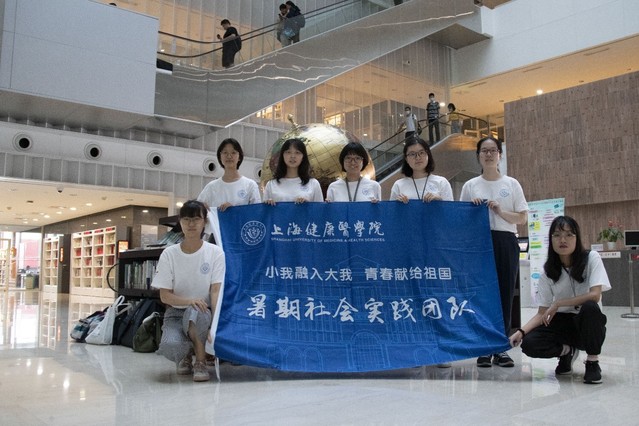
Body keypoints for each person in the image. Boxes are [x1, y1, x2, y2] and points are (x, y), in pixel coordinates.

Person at [510, 216, 610, 384]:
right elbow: (541, 313)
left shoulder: (591, 258)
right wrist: (521, 332)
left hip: (587, 323)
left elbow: (595, 295)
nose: (563, 240)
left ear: (577, 238)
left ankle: (592, 362)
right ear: (551, 240)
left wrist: (558, 303)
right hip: (562, 323)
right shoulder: (548, 272)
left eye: (569, 235)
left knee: (590, 307)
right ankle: (567, 352)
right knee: (529, 343)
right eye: (557, 235)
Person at [459, 136, 529, 368]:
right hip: (479, 243)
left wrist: (499, 211)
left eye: (492, 150)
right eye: (484, 151)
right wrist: (472, 210)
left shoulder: (511, 184)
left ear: (500, 154)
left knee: (505, 294)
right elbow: (460, 220)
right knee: (481, 295)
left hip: (505, 240)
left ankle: (501, 347)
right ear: (478, 155)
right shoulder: (470, 186)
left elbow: (522, 218)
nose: (488, 154)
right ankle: (484, 348)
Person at [151, 200, 225, 382]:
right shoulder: (169, 254)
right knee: (170, 346)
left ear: (204, 222)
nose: (191, 224)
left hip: (203, 312)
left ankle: (200, 361)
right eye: (186, 219)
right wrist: (189, 301)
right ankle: (184, 355)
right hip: (175, 313)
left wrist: (214, 325)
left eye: (196, 219)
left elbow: (216, 291)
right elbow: (164, 296)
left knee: (197, 312)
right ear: (180, 222)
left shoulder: (215, 253)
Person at [197, 138, 261, 241]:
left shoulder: (250, 185)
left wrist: (234, 211)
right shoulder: (211, 187)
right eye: (225, 153)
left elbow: (256, 214)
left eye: (233, 152)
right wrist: (202, 209)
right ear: (220, 157)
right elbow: (197, 211)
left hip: (241, 237)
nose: (229, 156)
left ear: (239, 157)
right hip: (216, 237)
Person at [390, 137, 453, 203]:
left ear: (428, 155)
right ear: (406, 159)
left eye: (421, 153)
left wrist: (440, 201)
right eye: (412, 154)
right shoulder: (398, 185)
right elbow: (391, 209)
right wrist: (397, 205)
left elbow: (451, 208)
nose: (418, 157)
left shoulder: (442, 182)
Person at [263, 138, 324, 204]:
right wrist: (268, 205)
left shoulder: (313, 184)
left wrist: (307, 206)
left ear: (303, 157)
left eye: (297, 153)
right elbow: (264, 210)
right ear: (282, 155)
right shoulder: (271, 184)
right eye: (288, 152)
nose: (293, 156)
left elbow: (319, 209)